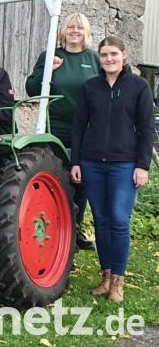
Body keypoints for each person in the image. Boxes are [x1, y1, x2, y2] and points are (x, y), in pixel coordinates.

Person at [70, 36, 154, 303]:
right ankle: (105, 276)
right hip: (92, 163)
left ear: (124, 55)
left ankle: (118, 280)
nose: (109, 59)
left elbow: (147, 129)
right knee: (101, 220)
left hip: (124, 164)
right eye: (104, 55)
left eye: (113, 54)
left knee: (119, 219)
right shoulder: (91, 87)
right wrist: (76, 161)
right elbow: (79, 126)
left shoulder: (139, 87)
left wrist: (142, 166)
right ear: (100, 58)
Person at [26, 13, 100, 251]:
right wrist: (48, 71)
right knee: (59, 178)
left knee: (82, 181)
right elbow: (32, 88)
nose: (75, 31)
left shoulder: (93, 58)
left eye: (80, 27)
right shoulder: (51, 55)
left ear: (86, 32)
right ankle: (58, 232)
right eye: (71, 27)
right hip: (56, 127)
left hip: (87, 128)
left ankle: (75, 232)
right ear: (63, 31)